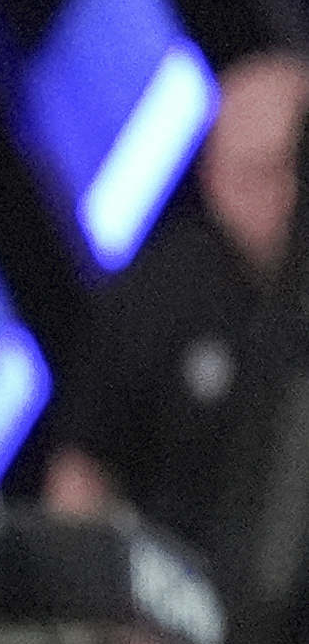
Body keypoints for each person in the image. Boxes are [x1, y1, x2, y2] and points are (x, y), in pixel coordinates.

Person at [44, 51, 309, 549]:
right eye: (266, 172)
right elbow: (79, 482)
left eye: (299, 167)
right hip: (204, 599)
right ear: (216, 184)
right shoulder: (159, 303)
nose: (290, 195)